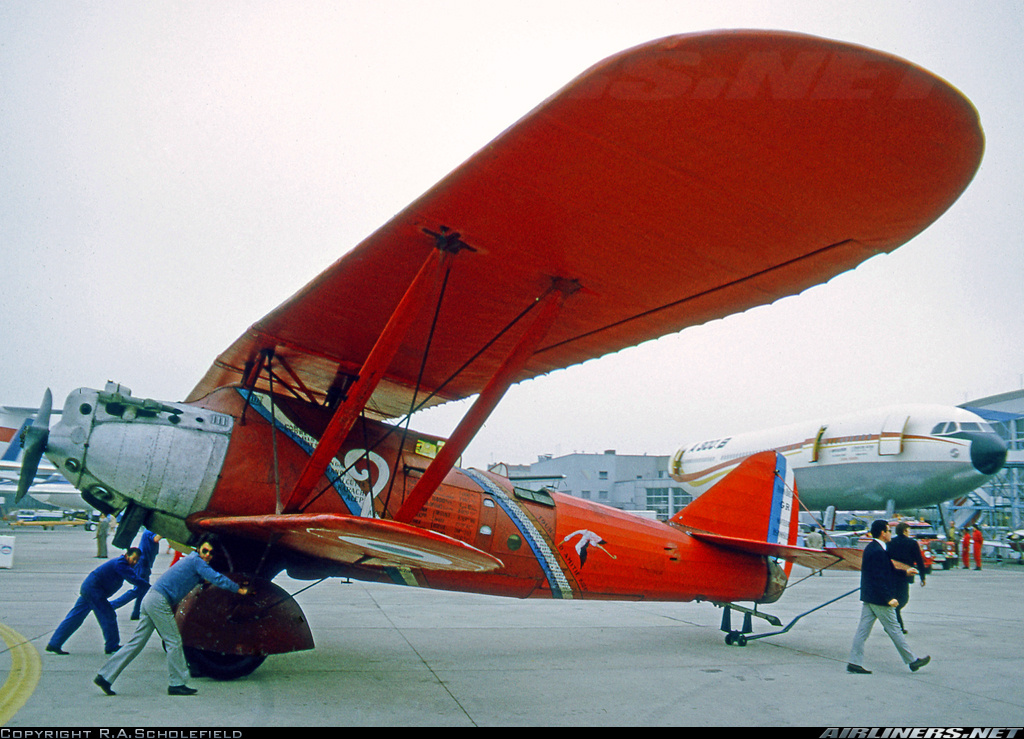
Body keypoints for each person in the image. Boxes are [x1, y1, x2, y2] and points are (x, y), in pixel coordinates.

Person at [94, 535, 250, 697]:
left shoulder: (192, 562)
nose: (207, 555)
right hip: (158, 601)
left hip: (150, 599)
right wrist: (239, 589)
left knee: (135, 643)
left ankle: (105, 676)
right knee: (174, 641)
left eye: (211, 553)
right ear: (198, 549)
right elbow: (216, 578)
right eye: (205, 551)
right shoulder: (197, 561)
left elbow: (200, 581)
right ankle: (177, 683)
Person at [847, 519, 930, 675]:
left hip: (870, 597)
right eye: (888, 530)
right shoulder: (878, 551)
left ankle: (854, 662)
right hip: (879, 599)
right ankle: (912, 661)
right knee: (895, 630)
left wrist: (904, 572)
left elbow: (887, 570)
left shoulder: (874, 548)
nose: (891, 533)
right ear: (882, 533)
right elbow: (879, 577)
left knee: (862, 631)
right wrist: (888, 598)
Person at [47, 548, 146, 655]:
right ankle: (112, 645)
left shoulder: (122, 564)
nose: (135, 562)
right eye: (133, 559)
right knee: (108, 616)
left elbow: (133, 575)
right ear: (127, 555)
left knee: (75, 617)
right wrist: (149, 587)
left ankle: (54, 643)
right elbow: (134, 579)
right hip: (94, 591)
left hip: (89, 588)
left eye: (137, 560)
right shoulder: (121, 564)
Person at [110, 529, 163, 620]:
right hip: (142, 565)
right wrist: (165, 531)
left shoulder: (150, 531)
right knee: (138, 590)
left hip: (144, 565)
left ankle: (136, 613)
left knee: (142, 590)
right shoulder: (149, 531)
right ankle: (112, 605)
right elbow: (156, 539)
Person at [887, 522, 926, 633]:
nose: (909, 532)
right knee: (902, 600)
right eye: (908, 530)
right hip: (905, 575)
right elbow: (919, 560)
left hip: (892, 575)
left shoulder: (890, 542)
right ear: (905, 531)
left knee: (896, 600)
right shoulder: (912, 543)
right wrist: (922, 576)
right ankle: (896, 626)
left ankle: (894, 625)